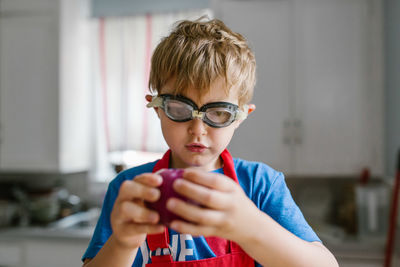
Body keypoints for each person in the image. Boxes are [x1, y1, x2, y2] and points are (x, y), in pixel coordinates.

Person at [82, 17, 338, 267]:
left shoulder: (261, 186)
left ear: (240, 117)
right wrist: (124, 242)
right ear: (157, 108)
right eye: (179, 109)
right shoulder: (130, 189)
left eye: (218, 113)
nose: (197, 130)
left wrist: (251, 226)